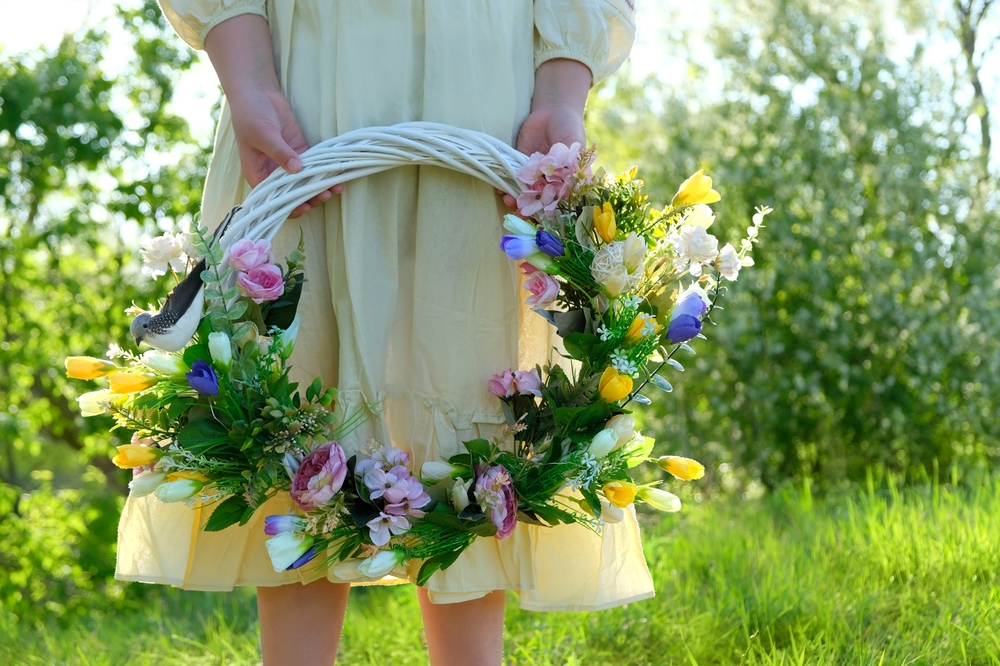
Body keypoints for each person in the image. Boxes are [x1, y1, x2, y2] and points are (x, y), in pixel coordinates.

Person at [117, 2, 647, 664]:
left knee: (469, 407)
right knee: (297, 394)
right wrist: (248, 81)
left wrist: (561, 90)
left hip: (483, 85)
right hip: (305, 80)